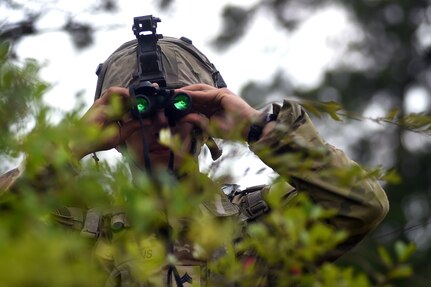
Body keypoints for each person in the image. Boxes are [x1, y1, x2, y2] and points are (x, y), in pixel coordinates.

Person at [0, 16, 389, 287]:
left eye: (179, 106)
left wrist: (257, 127)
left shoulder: (256, 227)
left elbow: (361, 205)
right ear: (112, 129)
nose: (159, 123)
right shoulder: (80, 237)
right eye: (136, 112)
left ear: (206, 117)